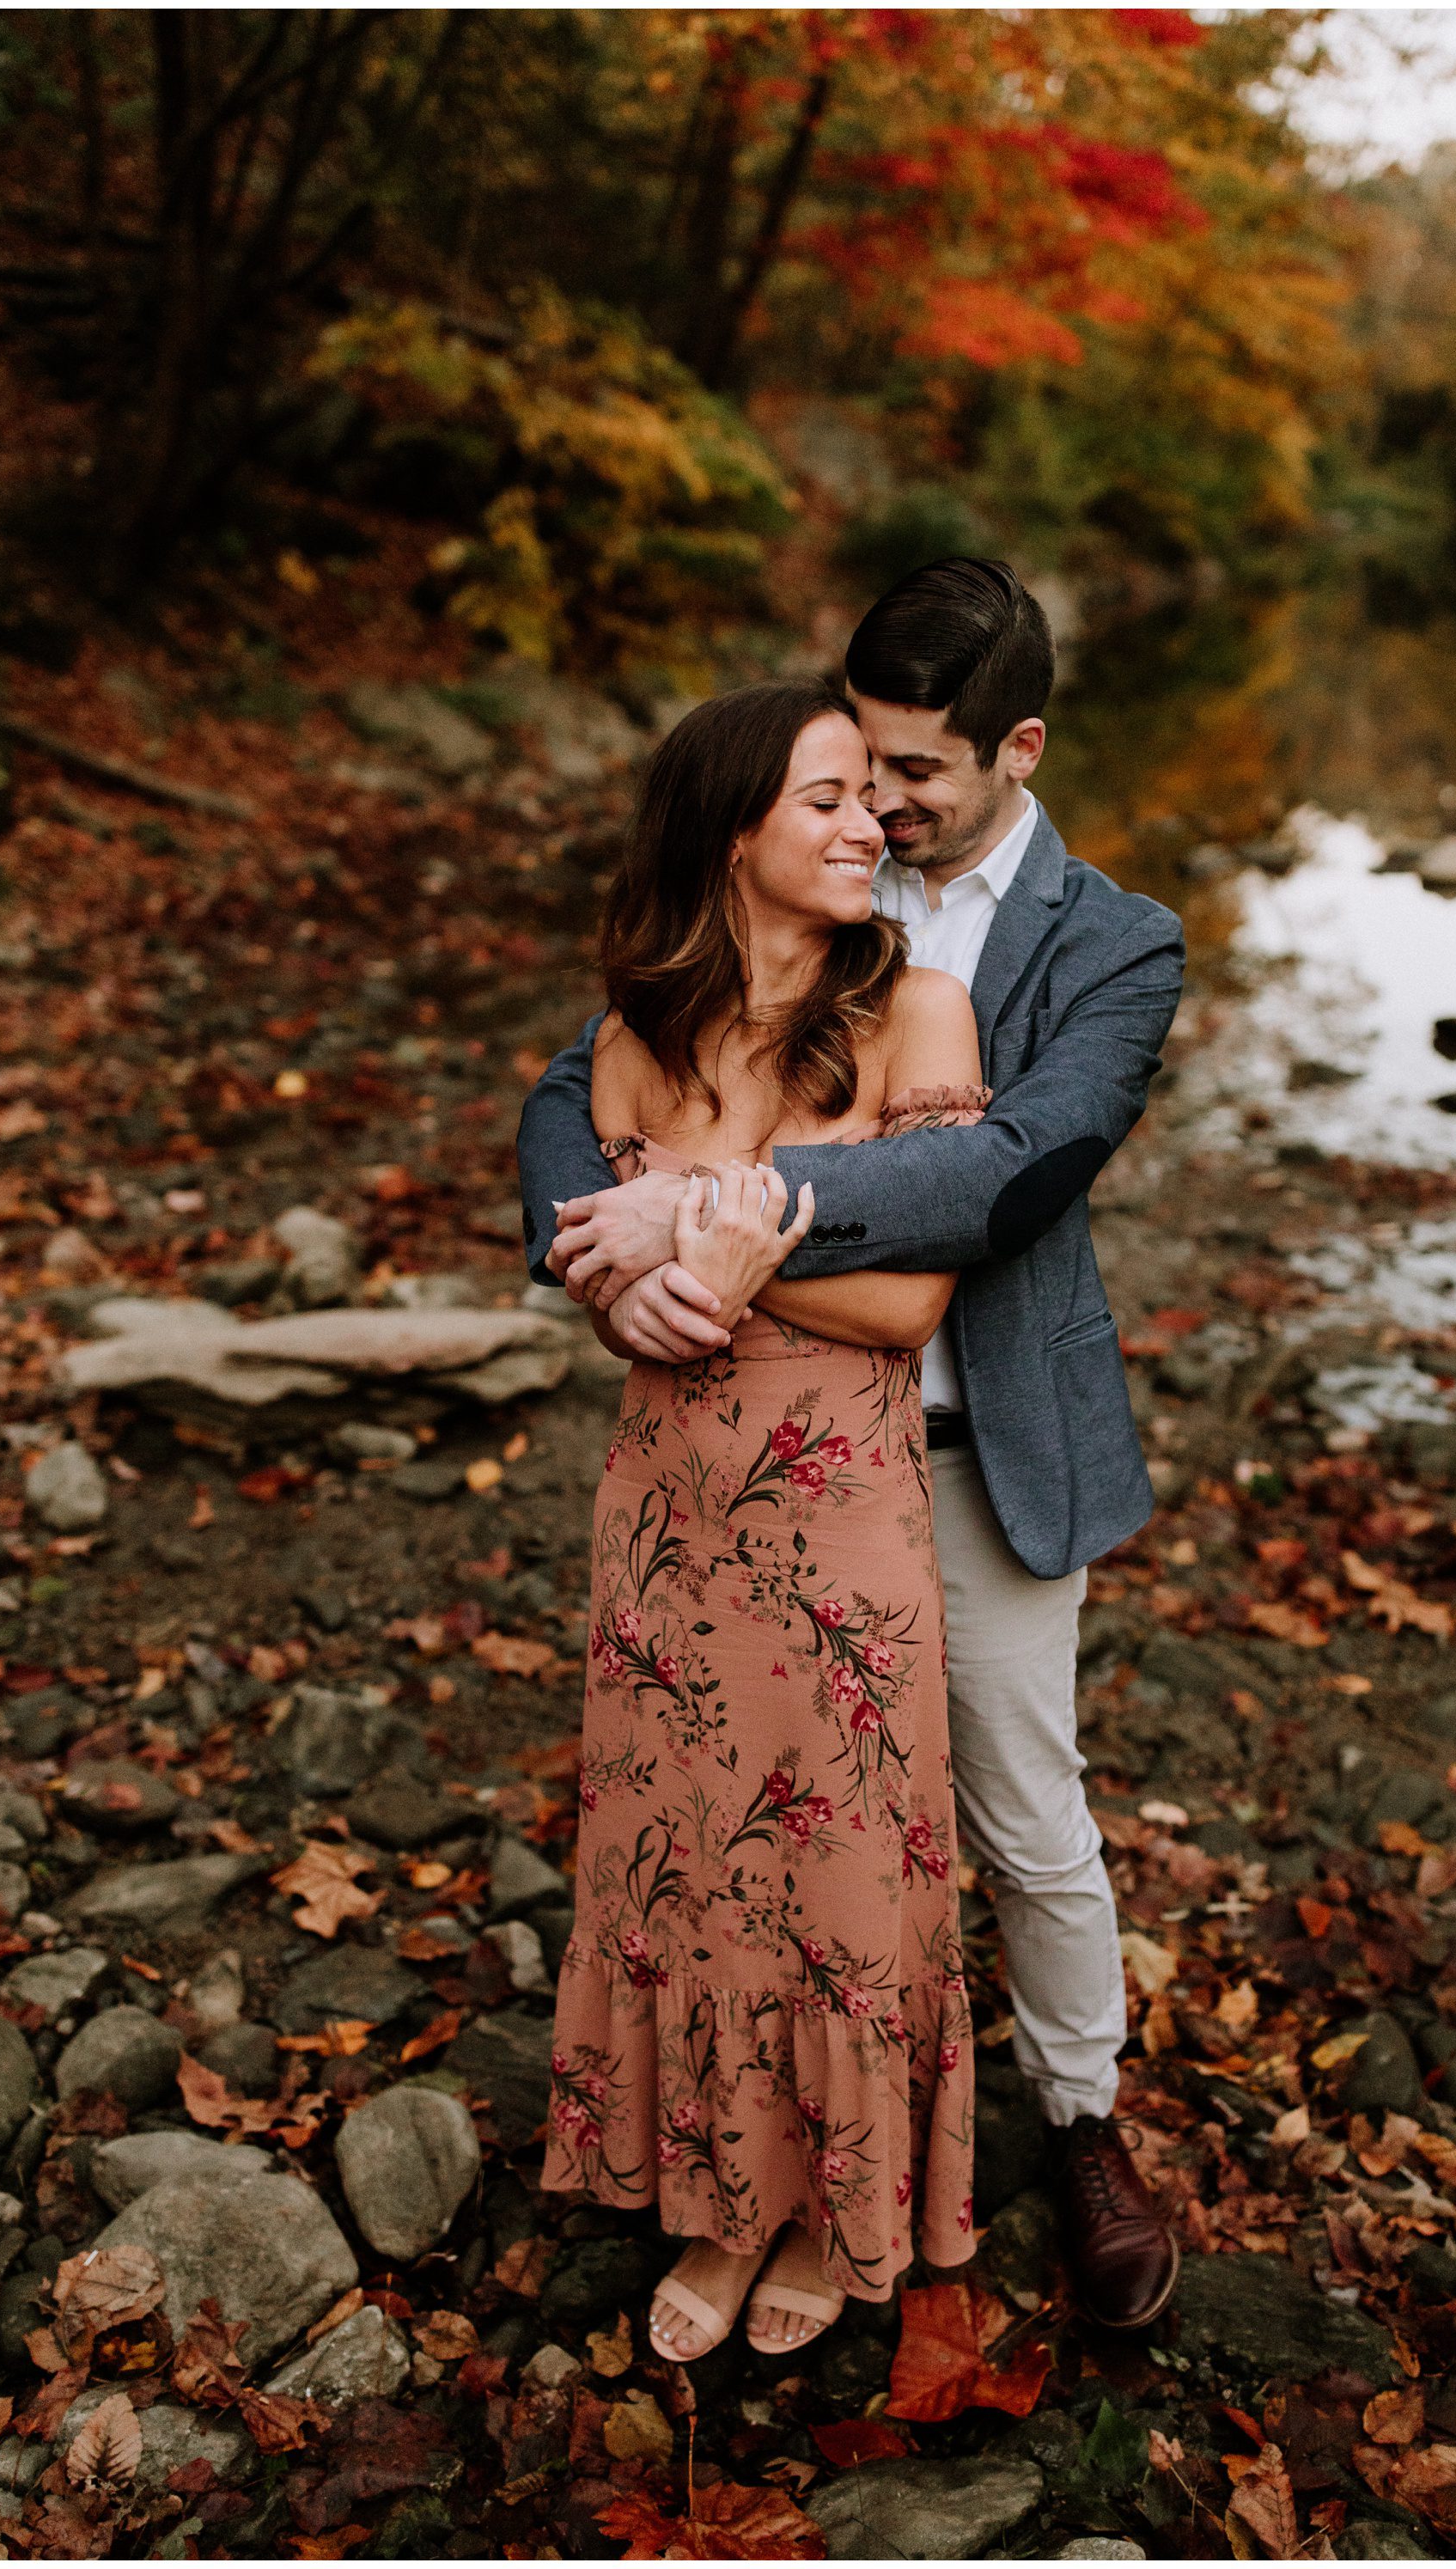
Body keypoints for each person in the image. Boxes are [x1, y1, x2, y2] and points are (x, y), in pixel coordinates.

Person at [522, 558, 1187, 2331]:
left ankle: (1081, 2116)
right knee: (740, 1834)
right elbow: (562, 1088)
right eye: (857, 764)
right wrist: (597, 1253)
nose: (882, 804)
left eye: (915, 774)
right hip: (729, 1466)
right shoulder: (798, 853)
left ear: (1014, 749)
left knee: (1016, 1816)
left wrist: (704, 1215)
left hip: (978, 1445)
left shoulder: (1111, 941)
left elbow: (988, 1181)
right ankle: (743, 2166)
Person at [536, 675, 990, 2362]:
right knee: (679, 1865)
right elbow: (601, 1280)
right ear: (727, 826)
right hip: (667, 1520)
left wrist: (721, 1257)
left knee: (838, 1870)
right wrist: (630, 1299)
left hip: (842, 1524)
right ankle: (718, 2204)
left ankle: (823, 2203)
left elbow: (917, 1302)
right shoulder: (631, 1039)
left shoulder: (919, 1017)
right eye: (824, 797)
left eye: (872, 795)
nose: (868, 821)